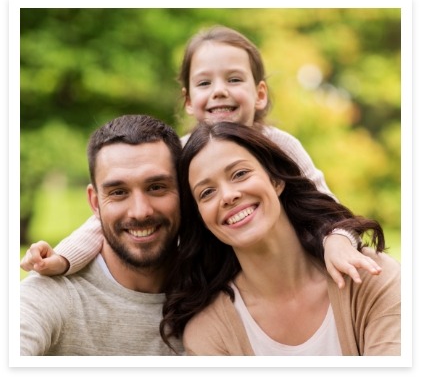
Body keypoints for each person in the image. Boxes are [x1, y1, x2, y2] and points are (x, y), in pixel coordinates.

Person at [21, 25, 381, 286]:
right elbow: (109, 215)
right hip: (217, 281)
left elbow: (327, 208)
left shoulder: (280, 145)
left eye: (234, 79)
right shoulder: (181, 154)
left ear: (259, 94)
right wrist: (65, 257)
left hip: (289, 275)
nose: (219, 91)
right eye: (205, 83)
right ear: (189, 100)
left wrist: (338, 241)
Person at [160, 121, 401, 356]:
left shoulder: (370, 278)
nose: (228, 196)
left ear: (276, 180)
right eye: (207, 192)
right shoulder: (209, 332)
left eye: (240, 173)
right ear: (201, 217)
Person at [20, 114, 185, 355]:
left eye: (157, 187)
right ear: (95, 202)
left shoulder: (217, 290)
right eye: (118, 192)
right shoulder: (52, 295)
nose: (140, 212)